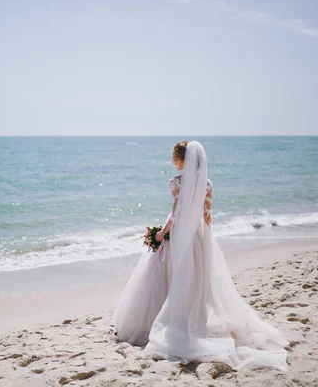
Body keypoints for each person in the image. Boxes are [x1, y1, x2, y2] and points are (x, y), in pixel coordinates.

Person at [113, 140, 288, 370]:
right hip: (200, 236)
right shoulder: (207, 184)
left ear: (183, 159)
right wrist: (206, 241)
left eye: (174, 159)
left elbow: (175, 214)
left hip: (179, 236)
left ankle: (165, 320)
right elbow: (207, 216)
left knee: (169, 275)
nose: (173, 163)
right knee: (197, 282)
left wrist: (161, 234)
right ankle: (194, 319)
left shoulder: (175, 182)